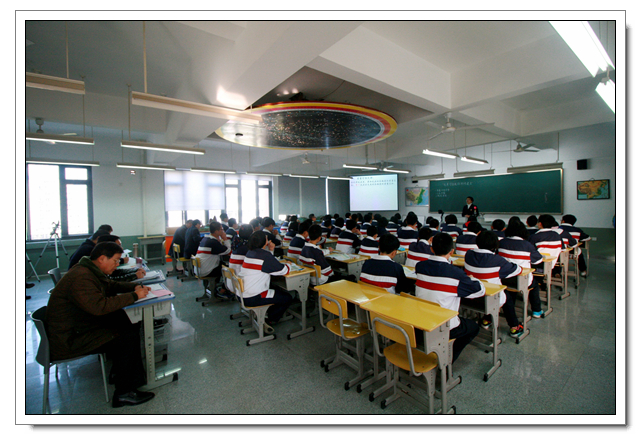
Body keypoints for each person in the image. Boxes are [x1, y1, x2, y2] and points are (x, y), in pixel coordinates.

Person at [45, 241, 154, 408]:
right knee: (125, 336)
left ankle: (120, 371)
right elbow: (99, 306)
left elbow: (111, 286)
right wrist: (134, 296)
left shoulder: (89, 270)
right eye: (115, 261)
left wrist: (135, 287)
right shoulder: (81, 277)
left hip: (78, 326)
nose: (117, 264)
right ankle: (124, 393)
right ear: (102, 258)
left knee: (125, 321)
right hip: (70, 339)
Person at [415, 233, 484, 363]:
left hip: (422, 321)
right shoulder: (456, 273)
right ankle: (448, 360)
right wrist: (473, 279)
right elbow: (479, 291)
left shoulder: (420, 266)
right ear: (452, 251)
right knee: (473, 328)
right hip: (444, 326)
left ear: (431, 249)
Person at [464, 231, 524, 337]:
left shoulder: (469, 254)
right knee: (507, 297)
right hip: (488, 298)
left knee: (500, 292)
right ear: (496, 245)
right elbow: (517, 270)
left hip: (471, 297)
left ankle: (487, 320)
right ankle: (514, 327)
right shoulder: (497, 260)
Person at [238, 231, 293, 332]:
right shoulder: (264, 255)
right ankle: (269, 319)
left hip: (242, 294)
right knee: (287, 298)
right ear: (265, 242)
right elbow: (283, 270)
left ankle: (265, 314)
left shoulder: (250, 252)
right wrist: (289, 264)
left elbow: (267, 265)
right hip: (253, 297)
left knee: (276, 289)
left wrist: (270, 250)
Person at [498, 220, 545, 319]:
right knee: (534, 285)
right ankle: (536, 310)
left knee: (510, 288)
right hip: (520, 279)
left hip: (503, 279)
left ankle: (509, 308)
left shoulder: (501, 242)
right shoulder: (527, 245)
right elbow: (538, 260)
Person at [195, 221, 232, 298]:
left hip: (199, 269)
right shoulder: (213, 242)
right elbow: (228, 251)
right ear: (216, 231)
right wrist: (225, 239)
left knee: (222, 265)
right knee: (229, 270)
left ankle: (212, 287)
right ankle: (223, 290)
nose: (223, 231)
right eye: (221, 229)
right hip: (206, 270)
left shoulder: (206, 239)